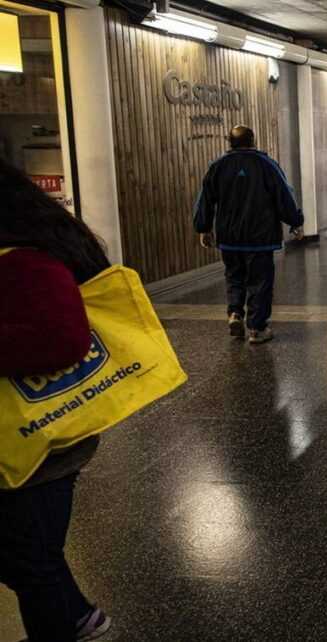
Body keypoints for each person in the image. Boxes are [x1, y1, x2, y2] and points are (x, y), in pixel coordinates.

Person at [0, 160, 113, 641]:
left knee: (31, 562)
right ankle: (80, 617)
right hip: (35, 433)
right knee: (29, 555)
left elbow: (63, 340)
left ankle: (67, 624)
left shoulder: (24, 260)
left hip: (40, 439)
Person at [193, 125, 303, 345]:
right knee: (260, 282)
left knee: (234, 277)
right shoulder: (267, 165)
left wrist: (203, 228)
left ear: (230, 142)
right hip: (260, 238)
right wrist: (295, 222)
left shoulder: (218, 166)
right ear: (253, 141)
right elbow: (284, 195)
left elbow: (205, 199)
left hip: (229, 238)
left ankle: (235, 313)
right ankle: (257, 328)